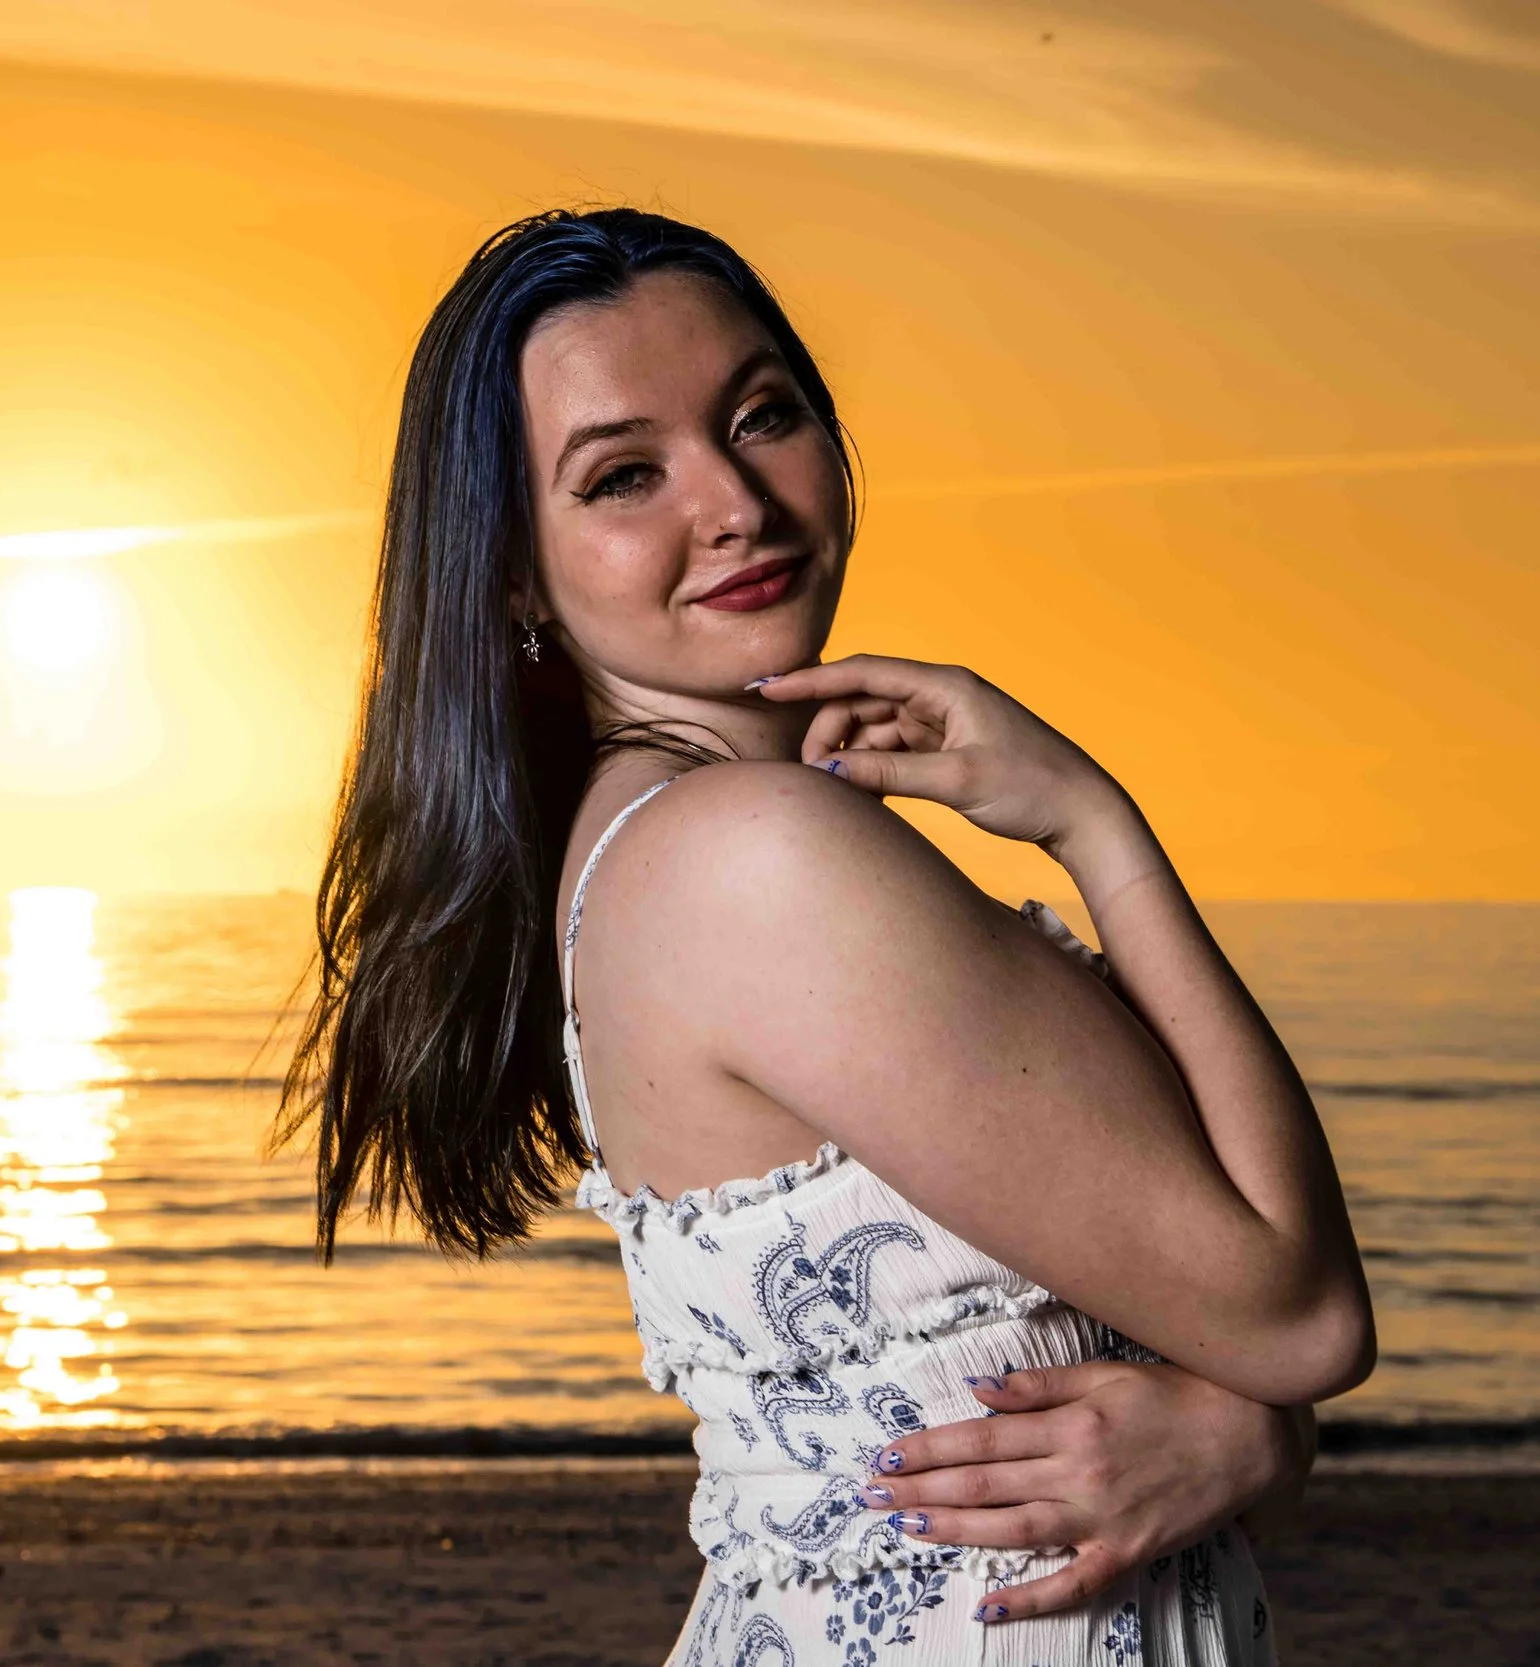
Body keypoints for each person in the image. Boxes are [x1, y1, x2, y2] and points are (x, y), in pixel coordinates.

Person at [279, 208, 1373, 1665]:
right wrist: (1095, 825)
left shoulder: (666, 843)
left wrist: (1250, 1429)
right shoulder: (751, 857)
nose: (733, 501)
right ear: (517, 577)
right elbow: (1294, 1311)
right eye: (624, 474)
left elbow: (1197, 1325)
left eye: (764, 415)